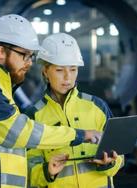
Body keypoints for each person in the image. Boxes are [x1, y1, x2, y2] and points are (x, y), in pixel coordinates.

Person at [0, 14, 101, 188]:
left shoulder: (0, 87)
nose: (29, 63)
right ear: (1, 51)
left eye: (31, 56)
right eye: (24, 55)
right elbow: (18, 132)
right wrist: (79, 135)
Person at [26, 33, 124, 188]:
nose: (67, 77)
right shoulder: (33, 116)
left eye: (73, 69)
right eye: (59, 70)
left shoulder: (97, 107)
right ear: (45, 71)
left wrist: (109, 163)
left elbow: (120, 155)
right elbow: (28, 172)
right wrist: (47, 171)